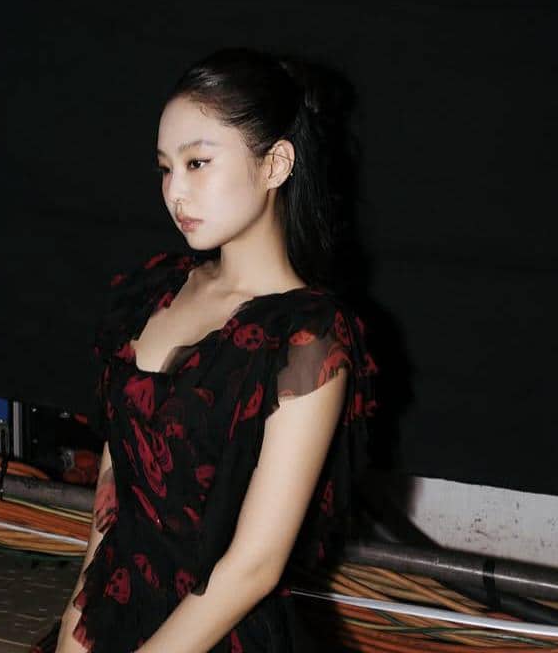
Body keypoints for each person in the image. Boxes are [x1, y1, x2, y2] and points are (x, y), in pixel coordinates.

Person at [55, 47, 379, 652]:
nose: (174, 191)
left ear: (276, 164)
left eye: (197, 162)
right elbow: (113, 487)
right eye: (165, 168)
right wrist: (77, 631)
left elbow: (254, 566)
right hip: (115, 615)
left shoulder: (308, 340)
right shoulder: (154, 291)